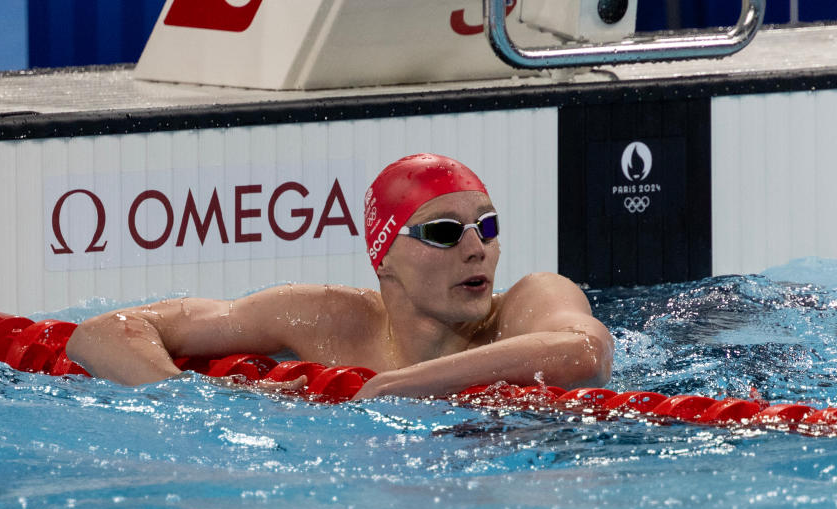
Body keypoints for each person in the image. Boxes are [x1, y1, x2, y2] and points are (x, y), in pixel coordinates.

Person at [66, 153, 613, 397]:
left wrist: (393, 388)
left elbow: (584, 353)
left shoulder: (530, 301)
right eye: (444, 232)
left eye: (487, 227)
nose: (477, 249)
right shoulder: (326, 320)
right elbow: (102, 331)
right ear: (383, 259)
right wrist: (182, 396)